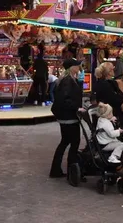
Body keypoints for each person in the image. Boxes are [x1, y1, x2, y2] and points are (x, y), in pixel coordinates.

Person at [49, 49, 85, 184]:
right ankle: (72, 170)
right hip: (69, 117)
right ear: (72, 67)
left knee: (65, 142)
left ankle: (57, 169)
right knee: (74, 142)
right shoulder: (68, 81)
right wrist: (77, 108)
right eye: (77, 65)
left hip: (65, 116)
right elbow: (66, 98)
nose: (79, 67)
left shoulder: (67, 79)